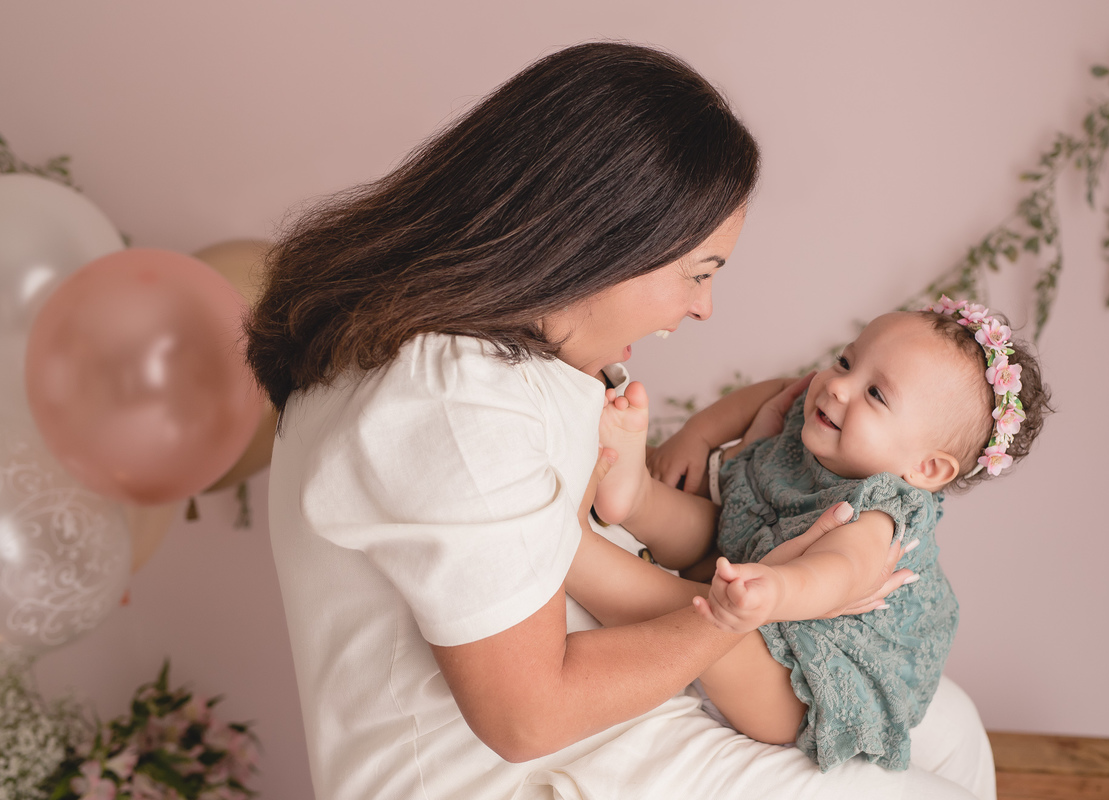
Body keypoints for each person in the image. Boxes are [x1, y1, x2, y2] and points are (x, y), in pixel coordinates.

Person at [246, 42, 997, 800]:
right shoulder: (449, 402)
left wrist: (734, 482)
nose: (702, 307)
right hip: (537, 765)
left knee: (954, 726)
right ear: (601, 239)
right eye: (698, 273)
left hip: (623, 700)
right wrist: (746, 611)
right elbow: (529, 717)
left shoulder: (491, 342)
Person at [569, 300, 1050, 775]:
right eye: (846, 361)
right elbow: (769, 394)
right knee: (701, 526)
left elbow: (843, 572)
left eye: (876, 395)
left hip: (801, 666)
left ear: (926, 468)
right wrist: (697, 436)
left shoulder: (881, 511)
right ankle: (635, 497)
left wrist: (775, 592)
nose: (838, 386)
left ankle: (579, 556)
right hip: (742, 550)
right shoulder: (819, 410)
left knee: (718, 630)